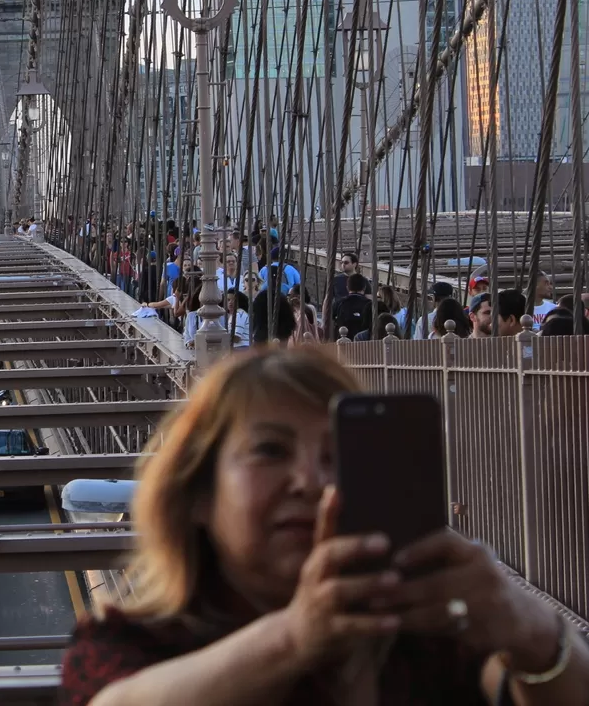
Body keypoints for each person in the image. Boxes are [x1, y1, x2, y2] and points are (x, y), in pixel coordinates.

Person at [60, 348, 589, 706]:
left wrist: (532, 632)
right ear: (198, 493)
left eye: (338, 457)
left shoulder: (428, 640)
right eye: (270, 451)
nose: (310, 482)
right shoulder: (129, 645)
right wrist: (298, 635)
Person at [331, 273, 373, 341]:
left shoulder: (339, 303)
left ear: (347, 288)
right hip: (364, 345)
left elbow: (331, 321)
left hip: (343, 343)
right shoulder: (370, 305)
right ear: (364, 288)